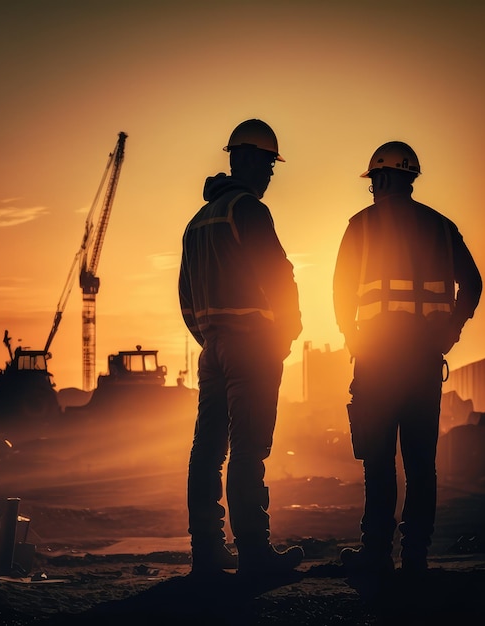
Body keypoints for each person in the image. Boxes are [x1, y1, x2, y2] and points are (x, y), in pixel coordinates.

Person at [333, 141, 482, 577]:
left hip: (376, 362)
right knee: (421, 464)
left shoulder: (360, 226)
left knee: (378, 462)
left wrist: (351, 337)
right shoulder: (441, 227)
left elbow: (341, 293)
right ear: (410, 179)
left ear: (380, 179)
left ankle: (375, 552)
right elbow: (471, 285)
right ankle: (415, 554)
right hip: (422, 363)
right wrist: (449, 331)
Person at [178, 119, 303, 579]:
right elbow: (279, 275)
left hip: (212, 349)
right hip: (252, 347)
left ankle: (207, 552)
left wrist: (210, 337)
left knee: (208, 449)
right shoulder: (247, 210)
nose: (271, 173)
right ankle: (255, 553)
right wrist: (286, 334)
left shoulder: (198, 221)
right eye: (268, 163)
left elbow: (186, 298)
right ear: (247, 160)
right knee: (250, 449)